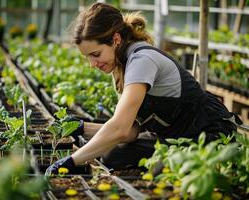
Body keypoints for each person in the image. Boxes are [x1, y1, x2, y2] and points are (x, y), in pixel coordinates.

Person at [45, 2, 242, 175]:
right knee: (114, 155)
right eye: (87, 57)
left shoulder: (141, 60)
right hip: (174, 136)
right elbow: (131, 131)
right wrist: (81, 127)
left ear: (115, 40)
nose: (92, 63)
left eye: (96, 54)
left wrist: (71, 161)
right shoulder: (122, 66)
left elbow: (120, 130)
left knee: (159, 169)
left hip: (209, 134)